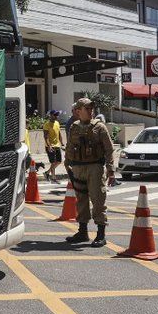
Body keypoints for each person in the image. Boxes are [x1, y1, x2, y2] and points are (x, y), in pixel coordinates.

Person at [63, 97, 115, 247]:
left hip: (95, 167)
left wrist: (111, 170)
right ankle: (82, 232)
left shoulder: (99, 127)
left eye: (91, 109)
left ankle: (100, 234)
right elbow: (69, 146)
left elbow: (109, 150)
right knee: (81, 200)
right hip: (78, 167)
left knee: (98, 199)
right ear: (78, 111)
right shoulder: (74, 127)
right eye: (87, 109)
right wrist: (67, 164)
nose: (90, 111)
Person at [43, 110, 64, 183]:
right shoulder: (47, 125)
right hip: (50, 146)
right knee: (53, 162)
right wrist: (49, 146)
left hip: (57, 145)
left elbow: (59, 134)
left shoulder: (57, 123)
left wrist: (62, 143)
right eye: (55, 115)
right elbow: (45, 137)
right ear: (51, 115)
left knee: (58, 161)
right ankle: (53, 178)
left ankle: (47, 173)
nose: (56, 116)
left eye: (57, 115)